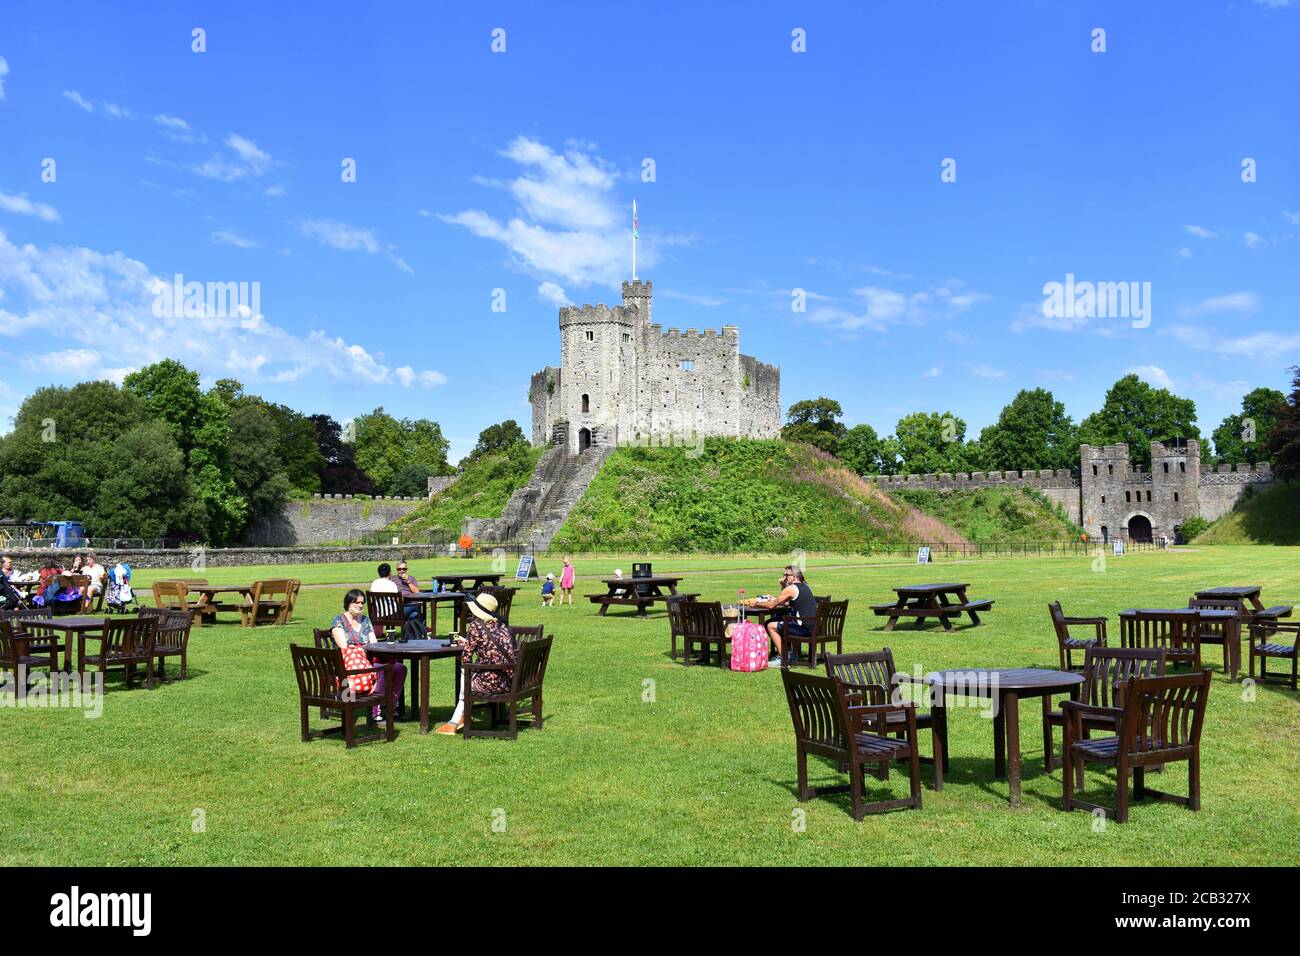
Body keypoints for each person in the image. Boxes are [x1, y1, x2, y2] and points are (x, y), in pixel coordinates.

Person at [436, 591, 515, 735]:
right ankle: (462, 717)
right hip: (506, 681)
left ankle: (457, 719)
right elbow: (492, 646)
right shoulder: (501, 626)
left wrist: (467, 645)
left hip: (489, 683)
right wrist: (469, 642)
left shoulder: (476, 626)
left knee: (465, 671)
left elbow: (466, 658)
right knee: (470, 673)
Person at [331, 589, 406, 720]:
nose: (360, 606)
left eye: (362, 603)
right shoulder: (339, 620)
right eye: (357, 603)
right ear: (348, 603)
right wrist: (362, 649)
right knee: (381, 670)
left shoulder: (365, 620)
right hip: (348, 664)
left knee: (400, 668)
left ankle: (390, 707)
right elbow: (343, 646)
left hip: (367, 659)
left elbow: (374, 643)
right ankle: (374, 709)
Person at [753, 566, 817, 668]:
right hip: (813, 626)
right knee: (782, 621)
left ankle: (783, 657)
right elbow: (786, 602)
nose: (785, 577)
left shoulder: (792, 588)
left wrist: (756, 603)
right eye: (784, 575)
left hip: (804, 629)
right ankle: (793, 655)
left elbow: (771, 605)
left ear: (795, 576)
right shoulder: (804, 586)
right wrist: (783, 586)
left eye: (787, 575)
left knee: (770, 625)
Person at [392, 559, 425, 628]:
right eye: (399, 569)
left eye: (404, 569)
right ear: (396, 569)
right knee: (417, 607)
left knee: (415, 614)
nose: (401, 571)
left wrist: (407, 581)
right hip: (399, 608)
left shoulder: (411, 578)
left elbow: (416, 591)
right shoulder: (392, 579)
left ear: (406, 569)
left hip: (409, 605)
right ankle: (424, 630)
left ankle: (413, 633)